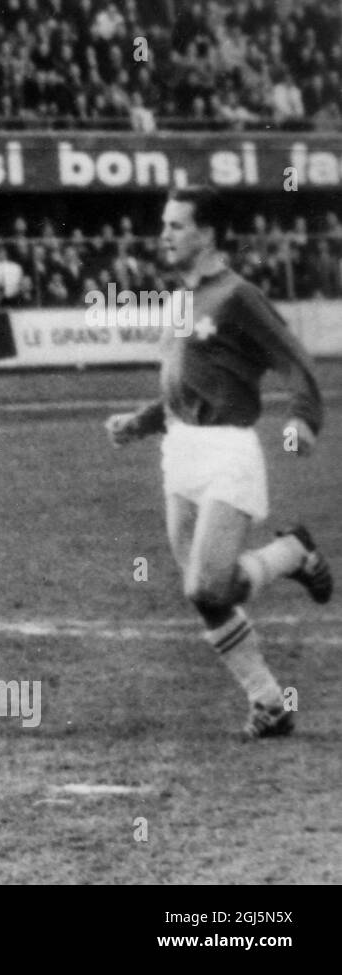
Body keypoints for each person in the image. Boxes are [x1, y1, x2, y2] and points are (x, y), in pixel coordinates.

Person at [105, 186, 331, 739]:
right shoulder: (179, 300)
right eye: (165, 224)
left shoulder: (238, 296)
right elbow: (186, 387)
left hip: (229, 449)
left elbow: (295, 359)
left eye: (177, 225)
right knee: (209, 594)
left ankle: (288, 554)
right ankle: (269, 702)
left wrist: (302, 416)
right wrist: (140, 421)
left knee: (204, 587)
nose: (165, 234)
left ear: (206, 233)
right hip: (178, 451)